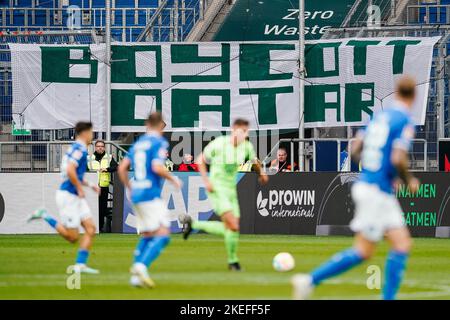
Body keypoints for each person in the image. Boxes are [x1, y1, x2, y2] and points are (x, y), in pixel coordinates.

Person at [291, 76, 420, 300]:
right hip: (376, 191)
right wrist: (409, 180)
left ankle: (386, 297)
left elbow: (356, 147)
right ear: (414, 96)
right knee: (364, 251)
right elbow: (399, 157)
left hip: (373, 186)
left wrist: (376, 169)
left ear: (396, 93)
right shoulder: (404, 121)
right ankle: (310, 280)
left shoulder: (379, 117)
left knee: (401, 243)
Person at [180, 119, 268, 271]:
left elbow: (254, 161)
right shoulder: (219, 143)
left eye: (246, 131)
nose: (243, 134)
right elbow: (200, 160)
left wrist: (262, 173)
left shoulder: (247, 146)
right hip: (217, 187)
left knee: (233, 228)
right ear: (233, 129)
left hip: (230, 190)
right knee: (232, 225)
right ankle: (233, 262)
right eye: (241, 130)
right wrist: (206, 181)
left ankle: (194, 225)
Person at [118, 112, 182, 288]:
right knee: (163, 234)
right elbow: (156, 166)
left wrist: (130, 187)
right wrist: (173, 179)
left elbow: (122, 168)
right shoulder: (159, 142)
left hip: (136, 193)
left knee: (147, 234)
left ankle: (135, 278)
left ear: (147, 123)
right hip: (150, 194)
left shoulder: (138, 144)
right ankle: (140, 266)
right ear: (161, 125)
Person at [28, 122, 101, 274]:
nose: (92, 135)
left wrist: (90, 184)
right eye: (91, 132)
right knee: (72, 237)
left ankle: (80, 265)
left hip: (74, 195)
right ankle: (45, 215)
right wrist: (80, 189)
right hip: (69, 196)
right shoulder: (79, 148)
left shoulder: (77, 148)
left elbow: (74, 173)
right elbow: (70, 170)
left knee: (90, 228)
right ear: (84, 133)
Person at [88, 140, 118, 232]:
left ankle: (100, 228)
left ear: (104, 147)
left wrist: (107, 169)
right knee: (90, 208)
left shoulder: (109, 157)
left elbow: (116, 167)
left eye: (102, 146)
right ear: (95, 147)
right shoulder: (89, 158)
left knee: (102, 209)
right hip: (91, 187)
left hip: (103, 187)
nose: (100, 148)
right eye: (98, 146)